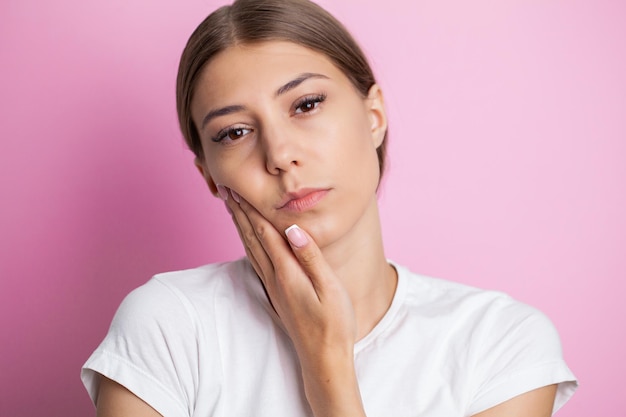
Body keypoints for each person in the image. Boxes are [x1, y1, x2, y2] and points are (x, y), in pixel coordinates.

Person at [81, 0, 577, 415]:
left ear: (374, 115)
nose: (279, 155)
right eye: (235, 133)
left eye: (306, 104)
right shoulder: (169, 324)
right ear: (210, 176)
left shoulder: (500, 344)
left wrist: (328, 369)